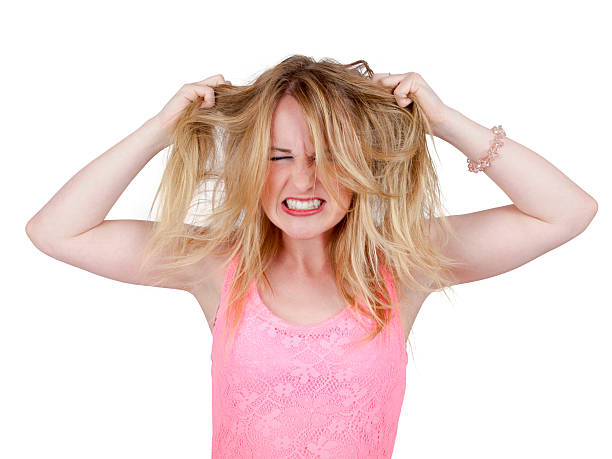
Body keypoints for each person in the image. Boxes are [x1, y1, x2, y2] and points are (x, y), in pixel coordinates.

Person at [25, 55, 598, 458]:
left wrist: (445, 120)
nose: (303, 180)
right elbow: (57, 232)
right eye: (278, 156)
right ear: (251, 166)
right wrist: (161, 128)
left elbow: (566, 211)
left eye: (329, 155)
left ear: (360, 165)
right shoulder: (213, 264)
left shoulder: (403, 262)